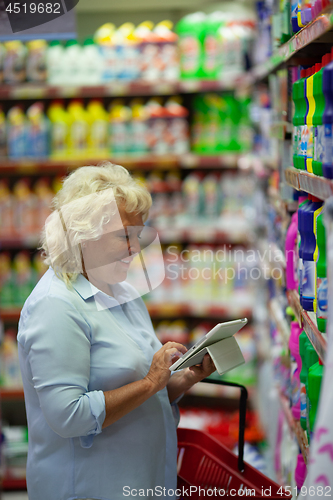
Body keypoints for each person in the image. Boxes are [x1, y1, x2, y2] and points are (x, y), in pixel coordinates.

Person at [17, 163, 216, 500]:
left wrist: (178, 381)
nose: (136, 248)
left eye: (137, 236)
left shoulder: (121, 291)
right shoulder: (56, 305)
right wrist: (151, 381)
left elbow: (133, 392)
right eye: (124, 236)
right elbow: (69, 416)